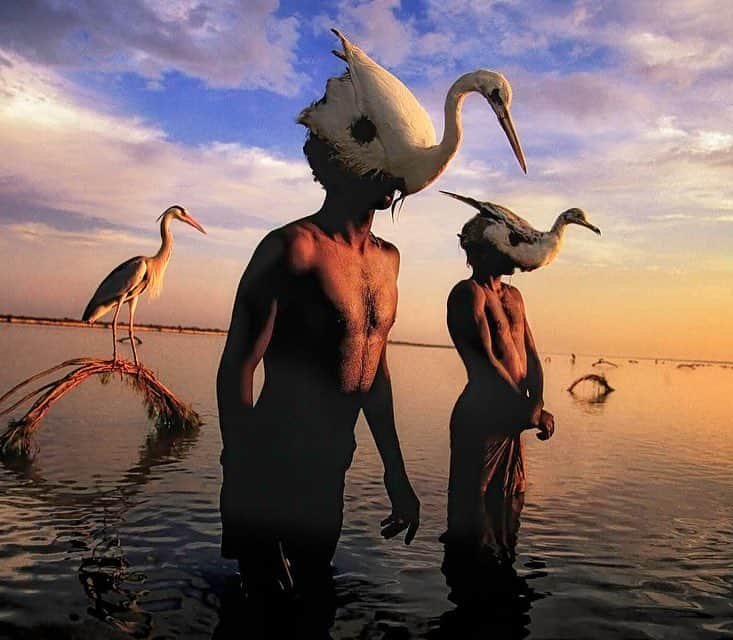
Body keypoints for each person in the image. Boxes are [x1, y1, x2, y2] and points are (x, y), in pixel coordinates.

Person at [216, 133, 420, 604]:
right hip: (272, 465)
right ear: (338, 163)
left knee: (311, 599)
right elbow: (237, 371)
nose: (388, 172)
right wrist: (248, 500)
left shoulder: (388, 260)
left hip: (331, 465)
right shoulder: (292, 248)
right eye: (374, 159)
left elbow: (375, 371)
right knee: (261, 611)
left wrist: (395, 472)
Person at [440, 212, 555, 586]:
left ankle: (501, 591)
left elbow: (531, 352)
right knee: (473, 516)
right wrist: (529, 410)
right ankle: (468, 596)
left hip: (511, 416)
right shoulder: (467, 294)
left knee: (507, 507)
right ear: (482, 251)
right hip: (482, 419)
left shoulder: (515, 296)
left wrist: (536, 401)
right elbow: (484, 361)